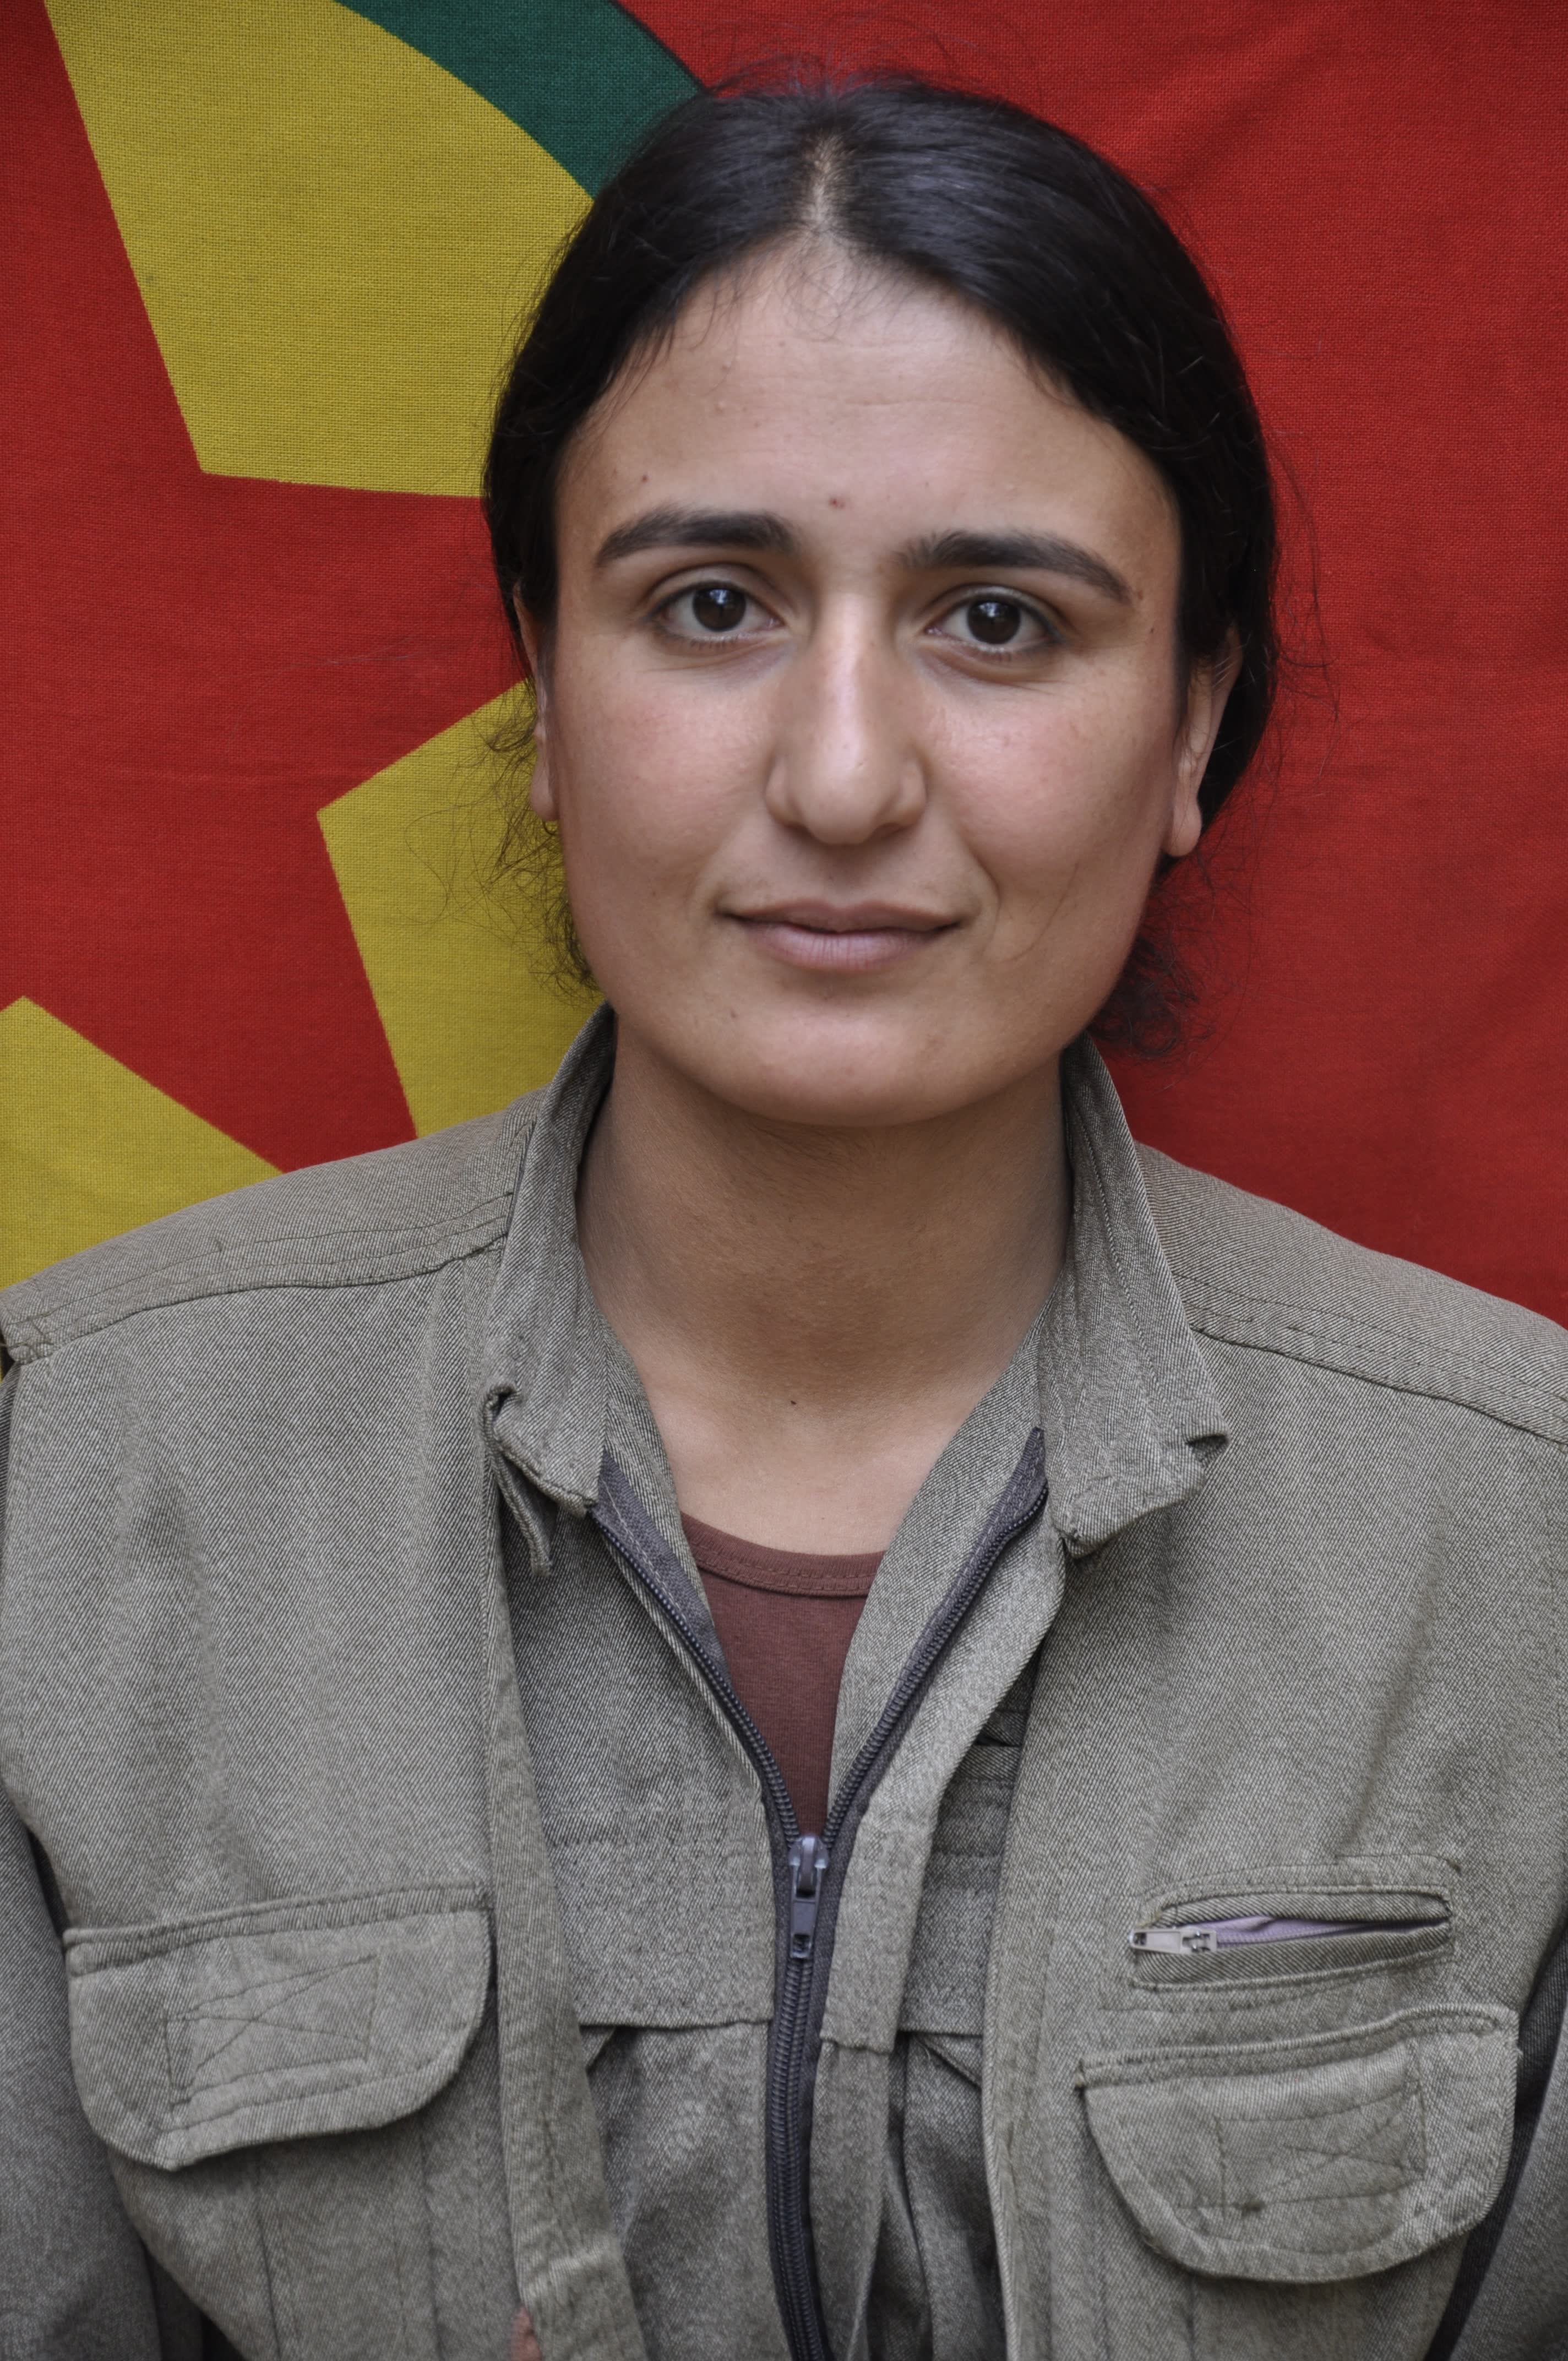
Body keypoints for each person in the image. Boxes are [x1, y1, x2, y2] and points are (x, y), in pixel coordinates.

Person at [1, 72, 1564, 2361]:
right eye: (712, 604)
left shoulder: (1519, 1544)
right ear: (544, 685)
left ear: (1191, 723)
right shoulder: (73, 1482)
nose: (842, 777)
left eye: (998, 621)